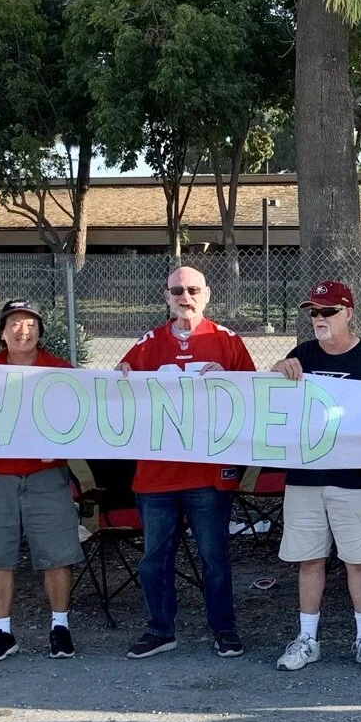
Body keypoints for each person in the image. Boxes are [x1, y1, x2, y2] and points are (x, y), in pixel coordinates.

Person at [268, 280, 361, 673]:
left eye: (328, 311)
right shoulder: (300, 354)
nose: (319, 318)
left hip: (357, 479)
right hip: (306, 478)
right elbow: (271, 402)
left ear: (348, 312)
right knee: (309, 560)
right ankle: (307, 638)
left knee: (358, 561)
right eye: (313, 312)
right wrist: (277, 369)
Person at [115, 265, 255, 659]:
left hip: (207, 474)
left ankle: (224, 629)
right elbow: (118, 397)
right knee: (154, 559)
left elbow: (255, 400)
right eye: (177, 290)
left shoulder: (227, 342)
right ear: (166, 296)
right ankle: (160, 629)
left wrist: (229, 380)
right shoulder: (146, 344)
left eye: (193, 289)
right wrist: (121, 375)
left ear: (207, 294)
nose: (185, 296)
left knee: (214, 557)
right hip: (157, 475)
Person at [0, 301, 84, 662]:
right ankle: (2, 633)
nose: (23, 330)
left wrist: (61, 444)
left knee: (57, 555)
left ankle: (60, 627)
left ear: (40, 332)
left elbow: (81, 418)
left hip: (47, 475)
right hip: (0, 476)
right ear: (2, 333)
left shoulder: (60, 371)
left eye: (30, 324)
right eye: (15, 324)